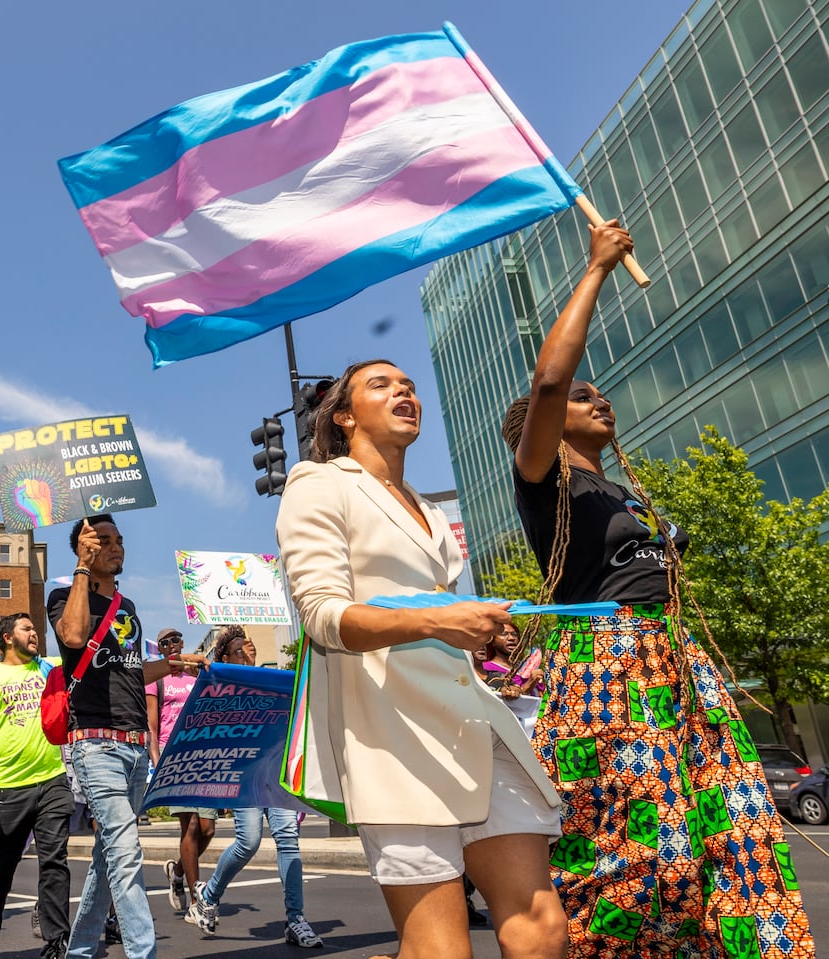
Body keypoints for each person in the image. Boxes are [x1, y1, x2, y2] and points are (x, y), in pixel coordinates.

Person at [503, 220, 817, 958]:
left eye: (599, 394)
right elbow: (549, 378)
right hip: (606, 671)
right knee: (638, 857)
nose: (596, 399)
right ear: (540, 428)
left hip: (678, 669)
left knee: (734, 833)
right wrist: (597, 271)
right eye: (584, 398)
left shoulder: (620, 491)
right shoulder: (544, 483)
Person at [276, 360, 567, 959]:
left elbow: (433, 613)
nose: (403, 390)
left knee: (542, 929)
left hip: (477, 723)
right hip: (393, 735)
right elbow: (324, 617)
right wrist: (442, 620)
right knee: (439, 950)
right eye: (380, 385)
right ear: (346, 416)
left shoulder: (431, 510)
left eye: (407, 383)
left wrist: (477, 627)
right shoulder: (318, 482)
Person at [50, 515, 207, 959]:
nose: (118, 547)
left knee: (108, 856)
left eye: (120, 540)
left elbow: (132, 670)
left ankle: (78, 951)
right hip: (95, 743)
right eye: (105, 541)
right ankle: (144, 953)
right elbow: (75, 636)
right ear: (85, 547)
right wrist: (82, 567)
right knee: (125, 854)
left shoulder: (127, 605)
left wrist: (177, 666)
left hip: (136, 745)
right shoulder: (64, 597)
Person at [185, 626, 322, 948]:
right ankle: (210, 893)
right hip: (244, 775)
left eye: (249, 645)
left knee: (288, 839)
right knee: (248, 841)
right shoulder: (223, 688)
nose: (248, 648)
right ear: (226, 658)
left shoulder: (271, 681)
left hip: (275, 773)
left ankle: (296, 919)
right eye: (238, 648)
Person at [0, 612, 74, 959]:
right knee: (2, 866)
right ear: (8, 638)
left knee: (54, 859)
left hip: (52, 778)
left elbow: (87, 660)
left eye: (34, 628)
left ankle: (56, 941)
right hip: (7, 787)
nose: (34, 633)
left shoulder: (51, 669)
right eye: (26, 629)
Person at [145, 627, 216, 915]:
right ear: (159, 649)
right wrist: (157, 760)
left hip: (202, 754)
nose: (171, 645)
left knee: (208, 829)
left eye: (176, 640)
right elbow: (151, 726)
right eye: (165, 642)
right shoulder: (156, 681)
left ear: (182, 643)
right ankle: (197, 901)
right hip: (174, 758)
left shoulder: (196, 676)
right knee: (190, 826)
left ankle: (177, 872)